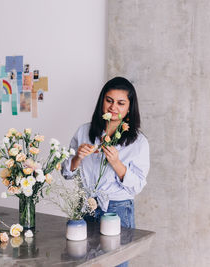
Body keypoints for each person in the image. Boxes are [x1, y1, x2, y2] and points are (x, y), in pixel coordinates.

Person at [61, 77, 150, 267]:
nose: (113, 107)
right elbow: (66, 172)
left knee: (116, 264)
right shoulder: (84, 131)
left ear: (129, 108)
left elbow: (138, 185)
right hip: (84, 207)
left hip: (117, 209)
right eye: (109, 100)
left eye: (121, 103)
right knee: (81, 262)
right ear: (102, 101)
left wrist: (116, 163)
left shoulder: (139, 142)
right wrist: (77, 158)